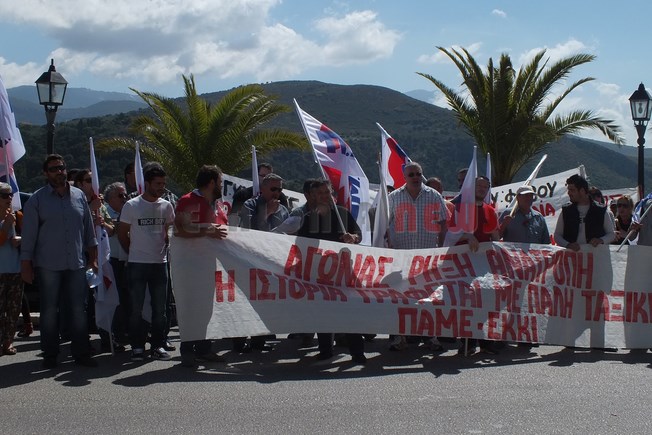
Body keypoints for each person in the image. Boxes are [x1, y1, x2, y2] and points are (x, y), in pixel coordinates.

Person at [20, 155, 98, 368]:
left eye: (62, 168)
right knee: (49, 311)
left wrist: (93, 258)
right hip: (48, 265)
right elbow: (28, 236)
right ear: (46, 173)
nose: (59, 172)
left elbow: (88, 230)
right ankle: (50, 354)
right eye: (54, 169)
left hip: (76, 263)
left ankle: (81, 353)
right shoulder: (37, 200)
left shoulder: (79, 196)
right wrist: (26, 264)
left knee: (78, 310)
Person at [297, 178, 367, 364]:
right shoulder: (309, 218)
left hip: (343, 271)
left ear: (332, 194)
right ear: (313, 196)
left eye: (327, 192)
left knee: (350, 312)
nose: (324, 196)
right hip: (320, 273)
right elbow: (300, 244)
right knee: (323, 312)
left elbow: (358, 235)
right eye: (320, 193)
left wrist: (353, 237)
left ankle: (357, 352)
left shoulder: (343, 213)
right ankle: (326, 350)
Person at [387, 162, 448, 351]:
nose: (415, 177)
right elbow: (385, 224)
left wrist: (441, 249)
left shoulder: (434, 196)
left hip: (427, 258)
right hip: (401, 258)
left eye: (418, 174)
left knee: (429, 298)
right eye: (411, 174)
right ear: (404, 177)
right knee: (400, 298)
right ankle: (400, 337)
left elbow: (443, 224)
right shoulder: (393, 197)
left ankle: (431, 337)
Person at [118, 162, 175, 361]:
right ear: (148, 183)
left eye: (163, 183)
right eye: (158, 184)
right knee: (136, 308)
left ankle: (158, 345)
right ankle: (137, 347)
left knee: (160, 309)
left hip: (160, 263)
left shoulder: (167, 206)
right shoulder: (131, 205)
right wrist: (132, 252)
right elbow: (122, 233)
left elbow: (170, 231)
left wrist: (166, 246)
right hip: (137, 264)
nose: (162, 187)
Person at [174, 165, 228, 367]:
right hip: (190, 265)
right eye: (220, 181)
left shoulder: (218, 204)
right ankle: (187, 350)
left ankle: (204, 349)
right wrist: (207, 231)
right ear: (212, 182)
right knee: (191, 308)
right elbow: (180, 230)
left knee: (206, 309)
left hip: (210, 264)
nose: (222, 185)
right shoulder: (187, 200)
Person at [234, 173, 289, 352]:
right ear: (263, 189)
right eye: (273, 189)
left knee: (266, 302)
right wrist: (267, 213)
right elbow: (249, 232)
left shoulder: (283, 210)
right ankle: (239, 341)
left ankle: (259, 341)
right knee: (245, 302)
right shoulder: (250, 205)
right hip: (249, 261)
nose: (277, 193)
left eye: (280, 190)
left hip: (270, 262)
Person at [451, 175, 501, 355]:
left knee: (485, 302)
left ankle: (485, 341)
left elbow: (495, 237)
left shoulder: (490, 211)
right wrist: (467, 236)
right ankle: (468, 342)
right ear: (472, 187)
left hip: (484, 265)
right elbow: (451, 234)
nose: (481, 189)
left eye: (485, 187)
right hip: (464, 265)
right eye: (479, 185)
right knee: (467, 304)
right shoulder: (460, 209)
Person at [554, 174, 615, 251]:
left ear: (582, 191)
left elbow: (611, 234)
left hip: (596, 256)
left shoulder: (600, 210)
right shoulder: (566, 211)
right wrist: (567, 245)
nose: (569, 193)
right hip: (572, 256)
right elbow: (557, 235)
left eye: (572, 190)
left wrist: (601, 240)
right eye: (568, 190)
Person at [103, 182, 130, 346]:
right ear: (110, 198)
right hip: (111, 260)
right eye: (120, 195)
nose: (124, 198)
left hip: (128, 259)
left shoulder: (129, 210)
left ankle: (126, 332)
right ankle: (114, 335)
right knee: (115, 298)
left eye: (125, 194)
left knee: (128, 298)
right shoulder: (104, 211)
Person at [0, 182, 23, 356]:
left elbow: (29, 238)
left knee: (14, 309)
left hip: (15, 270)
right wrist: (6, 226)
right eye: (4, 195)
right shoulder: (9, 220)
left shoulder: (18, 216)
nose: (9, 198)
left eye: (10, 195)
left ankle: (8, 342)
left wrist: (20, 239)